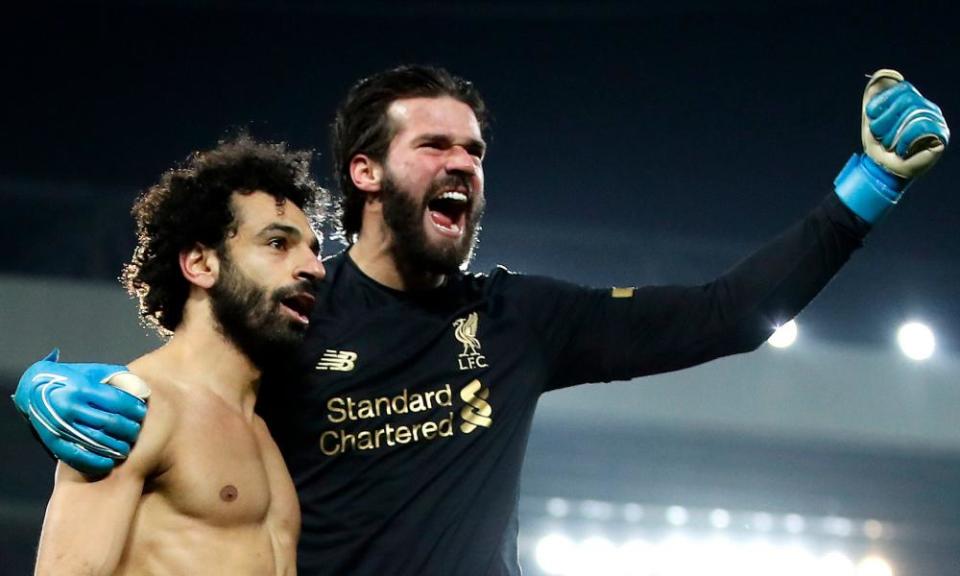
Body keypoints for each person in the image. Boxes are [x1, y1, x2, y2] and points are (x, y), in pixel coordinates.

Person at [14, 66, 949, 575]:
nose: (463, 162)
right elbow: (192, 373)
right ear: (367, 175)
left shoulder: (519, 320)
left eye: (475, 150)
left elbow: (730, 314)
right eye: (435, 144)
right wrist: (57, 382)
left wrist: (867, 188)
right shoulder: (301, 305)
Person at [28, 137, 327, 575]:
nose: (314, 267)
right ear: (202, 265)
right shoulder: (136, 407)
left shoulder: (266, 427)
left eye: (313, 250)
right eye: (279, 244)